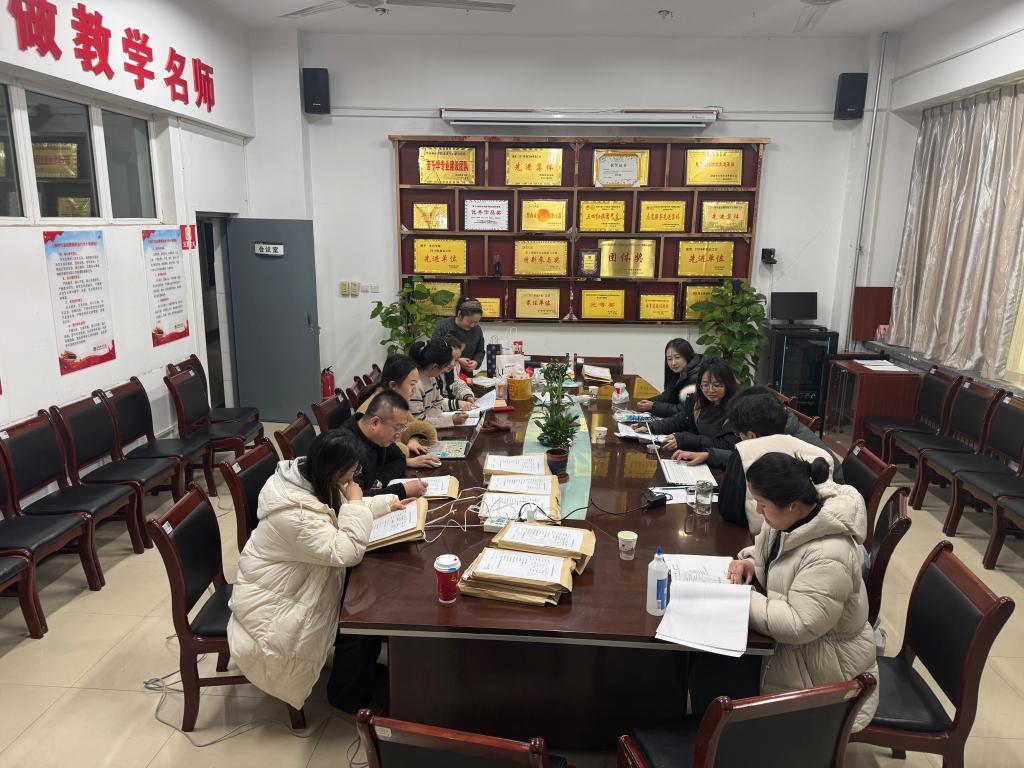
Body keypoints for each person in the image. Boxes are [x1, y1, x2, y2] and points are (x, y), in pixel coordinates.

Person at [227, 430, 416, 713]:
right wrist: (356, 503)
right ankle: (346, 699)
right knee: (361, 619)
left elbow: (338, 509)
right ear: (334, 471)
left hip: (298, 580)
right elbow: (345, 553)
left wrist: (388, 504)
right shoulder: (295, 514)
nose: (353, 479)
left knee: (370, 597)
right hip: (277, 603)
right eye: (352, 472)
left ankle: (363, 675)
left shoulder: (313, 478)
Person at [724, 453, 878, 732]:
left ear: (792, 505)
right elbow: (777, 557)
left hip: (824, 673)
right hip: (798, 652)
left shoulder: (829, 555)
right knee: (712, 664)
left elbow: (799, 625)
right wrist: (750, 563)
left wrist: (741, 599)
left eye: (762, 504)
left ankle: (728, 743)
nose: (758, 510)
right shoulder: (790, 520)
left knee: (717, 675)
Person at [715, 393, 834, 534]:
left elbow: (728, 510)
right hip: (815, 531)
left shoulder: (744, 451)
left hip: (757, 536)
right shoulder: (819, 454)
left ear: (751, 435)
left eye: (739, 434)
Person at [641, 359, 739, 457]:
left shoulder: (737, 410)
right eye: (705, 385)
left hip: (715, 462)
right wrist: (650, 427)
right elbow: (681, 420)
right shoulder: (697, 401)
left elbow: (726, 446)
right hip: (695, 455)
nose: (710, 390)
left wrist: (686, 439)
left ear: (728, 384)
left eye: (716, 385)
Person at [356, 355, 440, 470]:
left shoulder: (394, 401)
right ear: (393, 385)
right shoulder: (372, 411)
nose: (415, 389)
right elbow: (371, 460)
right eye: (412, 384)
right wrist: (407, 462)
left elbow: (411, 425)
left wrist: (412, 439)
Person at [340, 390, 427, 499]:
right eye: (397, 428)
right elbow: (354, 499)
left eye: (402, 428)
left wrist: (379, 481)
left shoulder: (378, 436)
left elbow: (399, 459)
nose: (399, 434)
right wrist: (402, 490)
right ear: (375, 423)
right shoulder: (346, 447)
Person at [408, 339, 469, 429]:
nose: (444, 371)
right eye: (444, 367)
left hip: (431, 426)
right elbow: (418, 422)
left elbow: (439, 404)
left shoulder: (432, 378)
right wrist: (450, 420)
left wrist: (432, 417)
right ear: (435, 366)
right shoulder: (415, 385)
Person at [636, 339, 703, 416]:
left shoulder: (695, 377)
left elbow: (683, 411)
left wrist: (653, 406)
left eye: (677, 357)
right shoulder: (680, 371)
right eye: (669, 359)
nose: (673, 363)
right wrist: (649, 401)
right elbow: (669, 394)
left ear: (687, 356)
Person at [431, 296, 485, 372]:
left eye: (476, 322)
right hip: (445, 372)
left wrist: (476, 362)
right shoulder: (443, 327)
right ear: (459, 314)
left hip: (467, 374)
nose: (472, 325)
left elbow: (480, 351)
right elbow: (434, 351)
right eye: (470, 322)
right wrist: (457, 360)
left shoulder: (477, 330)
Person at [438, 334, 476, 412]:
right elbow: (434, 401)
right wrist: (457, 403)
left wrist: (467, 395)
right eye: (450, 359)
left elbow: (457, 385)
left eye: (456, 360)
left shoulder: (451, 369)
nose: (453, 364)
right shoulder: (432, 374)